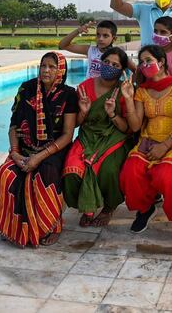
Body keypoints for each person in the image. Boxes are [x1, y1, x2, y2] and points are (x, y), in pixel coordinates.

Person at [0, 52, 78, 248]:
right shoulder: (27, 88)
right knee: (7, 174)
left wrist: (39, 157)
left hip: (54, 150)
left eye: (52, 66)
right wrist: (15, 153)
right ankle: (13, 226)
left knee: (44, 176)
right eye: (43, 66)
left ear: (61, 71)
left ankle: (50, 226)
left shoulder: (69, 94)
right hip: (23, 149)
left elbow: (67, 135)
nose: (46, 70)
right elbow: (14, 124)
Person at [119, 45, 172, 234]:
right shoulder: (142, 90)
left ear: (161, 62)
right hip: (149, 139)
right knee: (131, 171)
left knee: (166, 175)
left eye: (148, 60)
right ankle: (145, 208)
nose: (144, 65)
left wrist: (166, 145)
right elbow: (135, 126)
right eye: (142, 62)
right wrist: (128, 98)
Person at [63, 47, 132, 227]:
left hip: (113, 138)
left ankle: (109, 207)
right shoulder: (85, 87)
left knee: (108, 170)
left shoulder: (123, 91)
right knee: (72, 170)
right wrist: (84, 112)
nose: (109, 66)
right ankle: (86, 205)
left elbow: (127, 128)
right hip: (87, 136)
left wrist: (112, 114)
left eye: (115, 65)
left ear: (121, 70)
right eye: (106, 62)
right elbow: (76, 123)